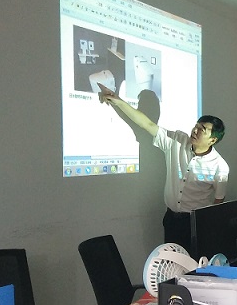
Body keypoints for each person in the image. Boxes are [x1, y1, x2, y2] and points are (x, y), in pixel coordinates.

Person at [97, 83, 229, 250]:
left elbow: (218, 201)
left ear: (213, 139)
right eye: (196, 126)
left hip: (196, 224)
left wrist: (209, 228)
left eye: (202, 129)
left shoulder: (220, 166)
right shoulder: (177, 141)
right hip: (171, 220)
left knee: (193, 264)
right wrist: (118, 101)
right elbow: (147, 124)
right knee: (170, 262)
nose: (195, 131)